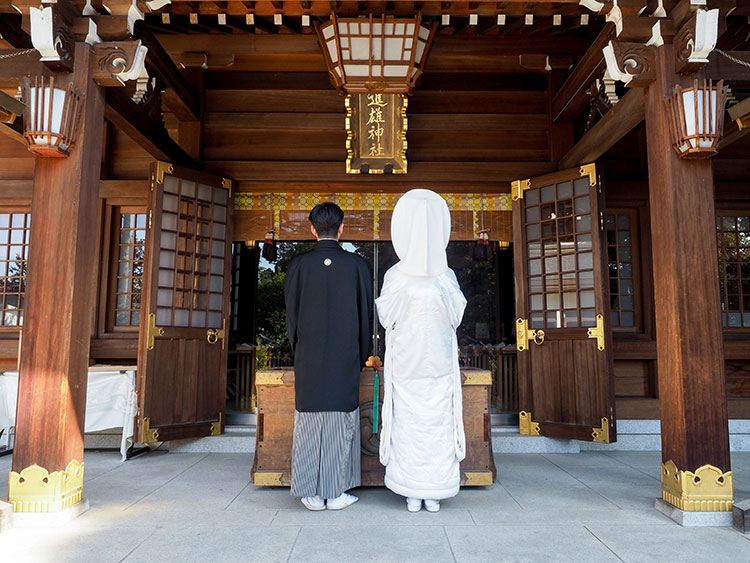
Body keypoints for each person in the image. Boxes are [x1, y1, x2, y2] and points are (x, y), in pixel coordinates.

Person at [375, 189, 467, 513]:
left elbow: (386, 317)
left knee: (415, 428)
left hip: (414, 366)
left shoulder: (398, 276)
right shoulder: (445, 277)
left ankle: (419, 492)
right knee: (431, 428)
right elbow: (456, 316)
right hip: (427, 367)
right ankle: (426, 492)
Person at [284, 202, 372, 511]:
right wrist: (362, 355)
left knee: (308, 419)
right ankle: (335, 493)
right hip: (345, 355)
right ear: (342, 228)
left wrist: (299, 348)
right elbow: (365, 317)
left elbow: (291, 318)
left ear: (311, 228)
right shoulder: (357, 266)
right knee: (339, 419)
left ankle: (310, 493)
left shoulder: (298, 266)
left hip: (308, 354)